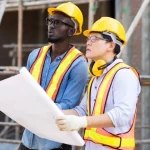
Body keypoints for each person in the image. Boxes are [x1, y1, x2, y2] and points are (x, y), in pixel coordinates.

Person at [56, 17, 141, 150]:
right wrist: (54, 113)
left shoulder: (124, 75)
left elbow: (123, 114)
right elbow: (82, 110)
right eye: (88, 39)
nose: (88, 43)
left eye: (94, 38)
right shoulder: (97, 77)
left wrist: (82, 121)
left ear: (111, 45)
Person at [18, 2, 88, 150]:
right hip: (28, 138)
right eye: (50, 20)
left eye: (58, 22)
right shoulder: (35, 55)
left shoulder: (78, 64)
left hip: (55, 143)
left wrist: (38, 109)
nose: (51, 25)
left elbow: (69, 104)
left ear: (71, 31)